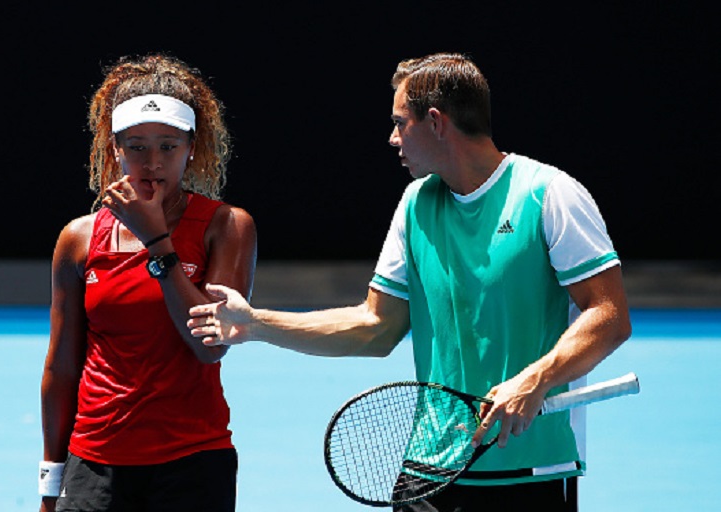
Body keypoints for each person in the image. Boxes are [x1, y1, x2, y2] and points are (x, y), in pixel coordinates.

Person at [187, 52, 631, 511]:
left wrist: (535, 379)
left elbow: (609, 316)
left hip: (528, 469)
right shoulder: (416, 204)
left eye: (401, 122)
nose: (392, 137)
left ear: (436, 122)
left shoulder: (550, 194)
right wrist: (256, 324)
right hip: (429, 472)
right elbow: (375, 326)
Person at [39, 53, 257, 512]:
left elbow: (209, 345)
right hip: (94, 465)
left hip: (194, 461)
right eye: (136, 146)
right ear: (114, 147)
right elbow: (61, 367)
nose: (152, 163)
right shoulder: (77, 239)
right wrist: (49, 483)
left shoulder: (227, 226)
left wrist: (157, 241)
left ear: (191, 148)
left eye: (168, 146)